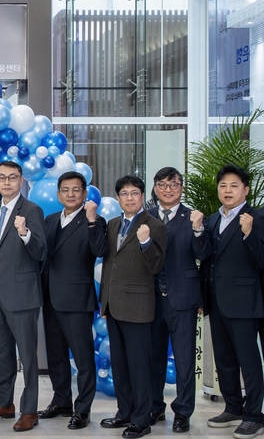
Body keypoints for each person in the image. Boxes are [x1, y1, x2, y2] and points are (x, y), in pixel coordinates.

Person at [0, 162, 47, 432]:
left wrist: (25, 233)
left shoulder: (31, 210)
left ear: (21, 180)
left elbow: (41, 252)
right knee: (1, 353)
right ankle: (4, 403)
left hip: (22, 294)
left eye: (12, 177)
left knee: (27, 357)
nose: (7, 182)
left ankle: (30, 410)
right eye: (2, 177)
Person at [38, 171, 108, 430]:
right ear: (58, 195)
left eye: (76, 189)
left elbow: (100, 250)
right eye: (65, 190)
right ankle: (61, 401)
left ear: (84, 194)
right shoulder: (50, 220)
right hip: (50, 298)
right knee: (55, 356)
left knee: (83, 358)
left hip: (77, 299)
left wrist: (91, 221)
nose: (70, 194)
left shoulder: (94, 220)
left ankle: (83, 409)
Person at [99, 175, 166, 439]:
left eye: (134, 193)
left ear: (142, 196)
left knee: (139, 367)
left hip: (138, 306)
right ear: (118, 198)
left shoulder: (155, 226)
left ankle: (141, 419)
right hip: (113, 304)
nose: (129, 198)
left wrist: (146, 242)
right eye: (124, 193)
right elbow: (109, 264)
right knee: (120, 365)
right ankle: (124, 412)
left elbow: (156, 266)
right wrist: (104, 300)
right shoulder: (113, 224)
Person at [147, 167, 210, 433]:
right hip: (150, 300)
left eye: (173, 184)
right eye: (162, 184)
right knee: (153, 357)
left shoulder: (193, 217)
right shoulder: (146, 216)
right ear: (155, 188)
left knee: (184, 360)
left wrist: (198, 230)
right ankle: (154, 406)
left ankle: (183, 412)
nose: (168, 189)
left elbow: (203, 254)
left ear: (181, 188)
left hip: (183, 298)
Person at [203, 164, 264, 439]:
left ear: (246, 190)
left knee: (248, 362)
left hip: (244, 302)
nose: (227, 190)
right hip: (217, 302)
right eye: (223, 185)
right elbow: (209, 261)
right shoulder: (213, 219)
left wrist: (249, 234)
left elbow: (261, 260)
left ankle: (254, 416)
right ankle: (233, 408)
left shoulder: (257, 218)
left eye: (234, 185)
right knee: (224, 359)